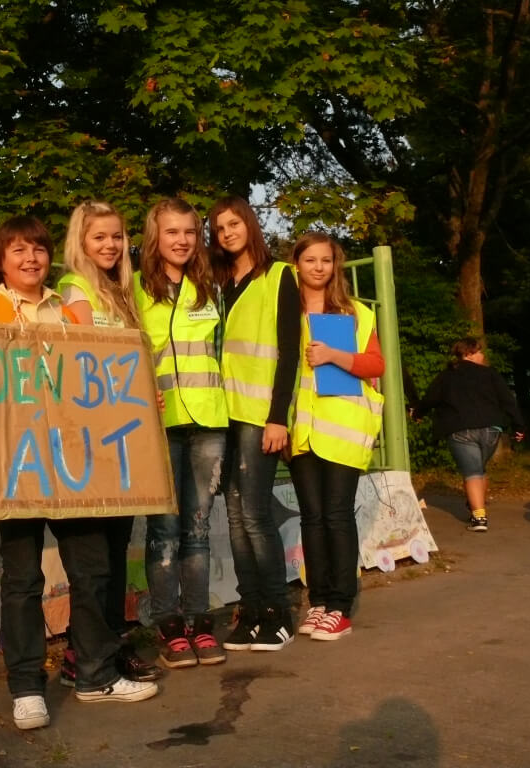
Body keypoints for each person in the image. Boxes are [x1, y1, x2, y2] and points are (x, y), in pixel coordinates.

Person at [0, 215, 158, 731]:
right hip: (19, 467)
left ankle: (94, 674)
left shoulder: (73, 313)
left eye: (39, 250)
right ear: (1, 260)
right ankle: (27, 688)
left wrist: (136, 396)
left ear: (50, 256)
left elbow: (100, 385)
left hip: (76, 464)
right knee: (22, 579)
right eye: (19, 251)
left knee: (92, 572)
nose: (31, 260)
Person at [56, 201, 163, 684]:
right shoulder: (75, 289)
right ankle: (85, 655)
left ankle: (112, 644)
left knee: (118, 549)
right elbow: (81, 359)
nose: (111, 245)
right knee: (95, 557)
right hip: (93, 437)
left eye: (117, 236)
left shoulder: (124, 291)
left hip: (126, 435)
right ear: (81, 241)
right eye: (100, 237)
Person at [131, 198, 228, 669]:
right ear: (155, 236)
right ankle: (168, 624)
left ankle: (199, 621)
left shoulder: (208, 287)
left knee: (198, 528)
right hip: (160, 423)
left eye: (190, 232)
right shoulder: (132, 289)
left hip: (209, 417)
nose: (182, 240)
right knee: (164, 529)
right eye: (172, 232)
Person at [208, 195, 300, 652]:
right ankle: (251, 610)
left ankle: (278, 611)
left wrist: (277, 417)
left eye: (233, 224)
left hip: (259, 414)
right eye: (219, 228)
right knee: (235, 518)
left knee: (256, 516)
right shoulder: (220, 283)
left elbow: (289, 352)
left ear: (250, 225)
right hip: (222, 414)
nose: (227, 233)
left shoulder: (280, 275)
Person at [288, 232, 385, 641]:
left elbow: (375, 363)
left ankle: (340, 606)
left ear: (335, 265)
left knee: (336, 514)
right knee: (311, 517)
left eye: (325, 260)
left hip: (342, 427)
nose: (317, 267)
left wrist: (334, 356)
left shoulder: (357, 313)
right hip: (302, 430)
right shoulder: (284, 313)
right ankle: (320, 602)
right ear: (296, 265)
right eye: (309, 260)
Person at [414, 337, 525, 532]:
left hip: (460, 429)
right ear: (468, 354)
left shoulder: (446, 376)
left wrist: (417, 413)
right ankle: (477, 505)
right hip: (491, 429)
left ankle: (479, 517)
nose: (483, 355)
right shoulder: (490, 374)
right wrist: (519, 426)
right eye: (479, 351)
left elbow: (430, 398)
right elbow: (508, 400)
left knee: (472, 472)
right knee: (479, 469)